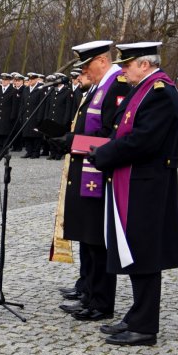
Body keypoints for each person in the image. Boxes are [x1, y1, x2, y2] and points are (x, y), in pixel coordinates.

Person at [91, 41, 178, 346]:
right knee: (136, 251)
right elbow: (123, 130)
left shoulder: (160, 92)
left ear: (144, 64)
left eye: (128, 64)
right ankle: (136, 316)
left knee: (145, 254)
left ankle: (145, 327)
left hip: (147, 185)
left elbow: (143, 140)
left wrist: (105, 155)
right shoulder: (144, 89)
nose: (123, 70)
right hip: (135, 182)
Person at [53, 40, 131, 324]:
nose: (84, 71)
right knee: (87, 238)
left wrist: (74, 142)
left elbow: (114, 136)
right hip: (86, 170)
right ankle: (89, 293)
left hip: (99, 174)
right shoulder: (99, 87)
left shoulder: (117, 85)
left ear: (101, 60)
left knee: (97, 241)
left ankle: (101, 302)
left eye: (86, 65)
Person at [19, 73, 46, 158]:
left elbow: (42, 105)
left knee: (35, 135)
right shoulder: (26, 89)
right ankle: (29, 151)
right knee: (27, 135)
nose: (30, 81)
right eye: (29, 79)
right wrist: (21, 114)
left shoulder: (40, 89)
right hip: (26, 115)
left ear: (36, 80)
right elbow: (22, 103)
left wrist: (40, 117)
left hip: (35, 116)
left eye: (32, 79)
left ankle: (36, 152)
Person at [0, 73, 17, 155]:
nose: (4, 81)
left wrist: (12, 115)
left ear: (9, 81)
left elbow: (14, 105)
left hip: (7, 116)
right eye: (3, 80)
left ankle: (4, 150)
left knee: (5, 134)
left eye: (6, 80)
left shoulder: (13, 90)